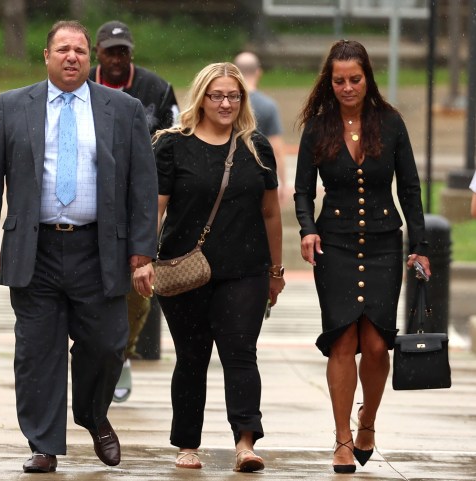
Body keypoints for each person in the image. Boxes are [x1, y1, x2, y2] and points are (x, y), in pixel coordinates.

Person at [0, 20, 157, 473]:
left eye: (79, 50)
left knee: (108, 342)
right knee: (38, 351)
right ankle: (44, 444)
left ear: (89, 57)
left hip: (98, 250)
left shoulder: (123, 108)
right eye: (62, 49)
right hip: (35, 249)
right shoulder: (13, 106)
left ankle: (93, 416)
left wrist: (142, 249)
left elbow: (142, 185)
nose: (71, 57)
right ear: (46, 56)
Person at [133, 62, 285, 472]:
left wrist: (276, 271)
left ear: (243, 99)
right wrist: (143, 258)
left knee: (241, 354)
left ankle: (245, 442)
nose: (225, 103)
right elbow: (156, 209)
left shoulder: (255, 146)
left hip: (246, 270)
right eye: (217, 95)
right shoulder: (171, 145)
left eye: (233, 96)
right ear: (201, 98)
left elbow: (271, 213)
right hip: (185, 271)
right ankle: (187, 444)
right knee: (191, 357)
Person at [293, 39, 431, 474]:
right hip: (333, 241)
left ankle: (367, 419)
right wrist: (307, 229)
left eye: (355, 79)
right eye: (339, 81)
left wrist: (420, 247)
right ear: (328, 82)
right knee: (343, 340)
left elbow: (409, 188)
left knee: (375, 344)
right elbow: (301, 189)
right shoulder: (318, 127)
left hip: (383, 242)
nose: (347, 87)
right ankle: (342, 440)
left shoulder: (389, 123)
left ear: (367, 77)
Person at [89, 19, 179, 403]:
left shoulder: (156, 90)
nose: (116, 58)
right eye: (110, 51)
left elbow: (177, 140)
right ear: (98, 53)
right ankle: (93, 357)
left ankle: (120, 354)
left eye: (122, 51)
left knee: (137, 291)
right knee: (84, 285)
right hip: (88, 202)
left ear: (132, 52)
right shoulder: (78, 87)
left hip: (139, 202)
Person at [233, 51, 289, 202]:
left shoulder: (226, 104)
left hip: (230, 177)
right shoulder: (268, 106)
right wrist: (282, 183)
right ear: (258, 72)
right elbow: (277, 150)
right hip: (259, 180)